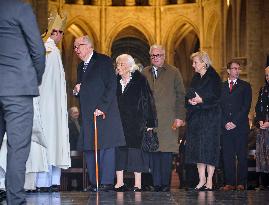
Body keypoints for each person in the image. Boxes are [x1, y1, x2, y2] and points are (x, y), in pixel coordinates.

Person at [0, 0, 45, 204]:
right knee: (18, 148)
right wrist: (35, 78)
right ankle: (15, 200)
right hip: (18, 88)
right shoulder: (20, 8)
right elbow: (37, 49)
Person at [73, 35, 125, 192]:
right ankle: (94, 182)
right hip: (88, 114)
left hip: (104, 112)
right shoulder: (80, 66)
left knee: (106, 147)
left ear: (89, 46)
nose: (76, 49)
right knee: (90, 147)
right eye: (74, 47)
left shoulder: (103, 61)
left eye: (79, 46)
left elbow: (111, 85)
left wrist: (102, 107)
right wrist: (76, 91)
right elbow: (84, 88)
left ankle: (106, 182)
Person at [142, 44, 185, 192]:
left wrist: (180, 116)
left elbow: (181, 95)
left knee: (165, 152)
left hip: (168, 119)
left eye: (158, 55)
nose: (155, 58)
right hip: (150, 120)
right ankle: (156, 184)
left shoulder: (173, 72)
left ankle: (165, 185)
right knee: (153, 151)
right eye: (153, 55)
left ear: (164, 56)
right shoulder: (144, 72)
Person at [36, 11, 71, 192]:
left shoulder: (45, 50)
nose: (61, 37)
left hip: (44, 104)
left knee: (48, 141)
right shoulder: (51, 51)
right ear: (55, 33)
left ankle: (46, 182)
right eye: (61, 33)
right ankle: (48, 182)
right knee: (51, 139)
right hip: (50, 106)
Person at [114, 54, 157, 192]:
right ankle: (119, 182)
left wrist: (150, 123)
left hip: (136, 124)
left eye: (121, 64)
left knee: (135, 153)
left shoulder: (140, 80)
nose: (118, 67)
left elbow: (148, 101)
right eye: (117, 64)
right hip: (119, 123)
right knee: (119, 153)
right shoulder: (115, 81)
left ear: (128, 66)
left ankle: (137, 184)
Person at [184, 51, 222, 191]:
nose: (193, 65)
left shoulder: (214, 77)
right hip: (196, 119)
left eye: (195, 62)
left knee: (209, 149)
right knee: (198, 151)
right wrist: (190, 101)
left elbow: (217, 97)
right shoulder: (195, 78)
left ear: (204, 63)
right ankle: (201, 179)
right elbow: (189, 93)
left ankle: (210, 180)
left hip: (210, 119)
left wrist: (202, 100)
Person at [220, 60, 252, 191]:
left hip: (240, 127)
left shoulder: (245, 86)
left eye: (238, 68)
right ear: (228, 71)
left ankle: (241, 183)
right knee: (227, 156)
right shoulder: (220, 87)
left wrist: (234, 122)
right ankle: (230, 182)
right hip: (225, 127)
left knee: (242, 155)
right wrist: (225, 123)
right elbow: (218, 107)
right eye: (234, 68)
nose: (237, 71)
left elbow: (246, 107)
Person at [254, 66, 269, 189]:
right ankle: (264, 183)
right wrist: (259, 120)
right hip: (263, 126)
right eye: (267, 75)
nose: (268, 77)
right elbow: (258, 106)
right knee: (262, 155)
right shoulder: (263, 89)